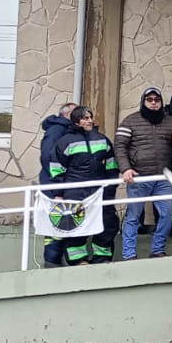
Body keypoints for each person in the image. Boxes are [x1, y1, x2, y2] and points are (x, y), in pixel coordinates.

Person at [115, 86, 172, 260]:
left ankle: (157, 249)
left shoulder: (171, 122)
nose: (153, 103)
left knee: (167, 215)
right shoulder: (130, 121)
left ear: (161, 102)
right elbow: (120, 146)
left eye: (156, 100)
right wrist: (126, 169)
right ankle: (129, 254)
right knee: (133, 216)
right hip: (138, 178)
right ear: (143, 102)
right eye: (149, 100)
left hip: (163, 178)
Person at [44, 105, 121, 266]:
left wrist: (110, 188)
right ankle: (78, 260)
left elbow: (112, 166)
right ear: (76, 120)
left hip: (100, 191)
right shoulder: (65, 142)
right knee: (75, 227)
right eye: (86, 118)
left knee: (108, 224)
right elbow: (57, 169)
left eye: (91, 117)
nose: (90, 121)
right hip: (75, 191)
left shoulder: (102, 139)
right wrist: (59, 192)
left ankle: (102, 258)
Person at [38, 102, 76, 185]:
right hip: (53, 181)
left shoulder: (69, 129)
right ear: (67, 114)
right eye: (76, 112)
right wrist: (57, 178)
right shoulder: (57, 130)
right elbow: (47, 155)